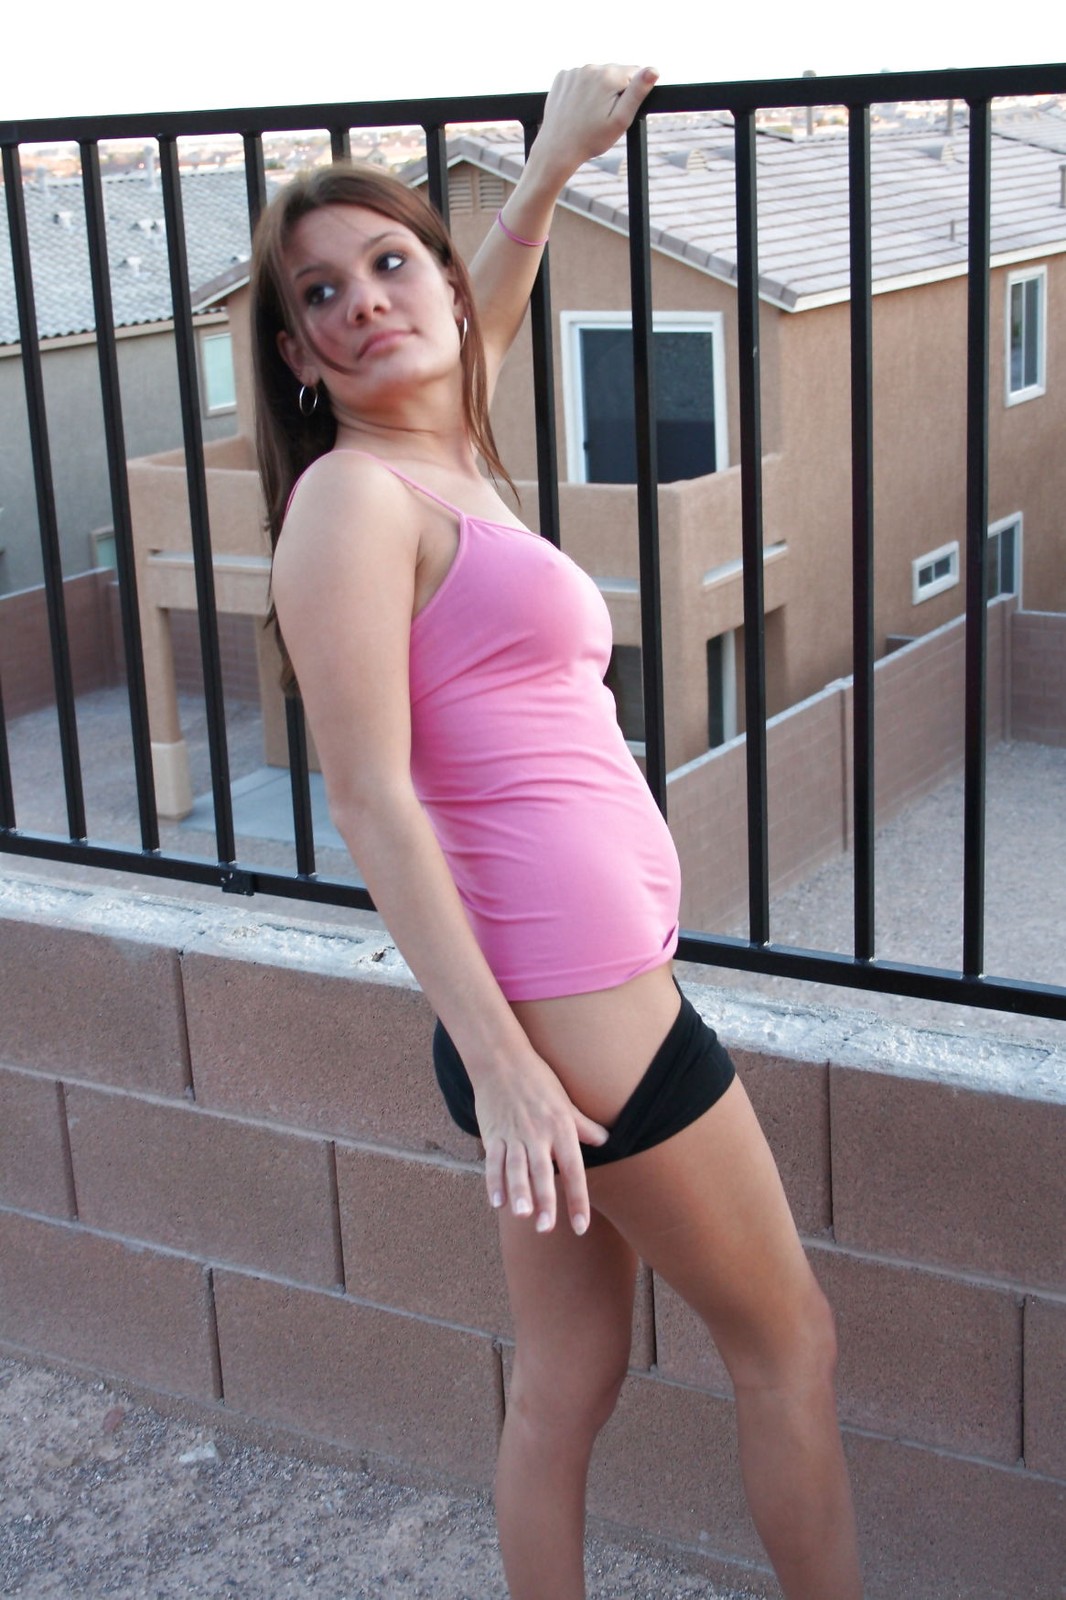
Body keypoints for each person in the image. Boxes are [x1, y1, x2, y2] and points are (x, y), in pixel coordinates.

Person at [251, 65, 863, 1600]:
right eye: (322, 293)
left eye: (390, 264)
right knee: (786, 1342)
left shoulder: (442, 450)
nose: (365, 301)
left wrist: (547, 165)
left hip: (553, 1002)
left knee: (566, 1382)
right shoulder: (351, 502)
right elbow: (368, 797)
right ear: (299, 358)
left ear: (441, 289)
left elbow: (485, 304)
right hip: (560, 1007)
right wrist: (510, 1067)